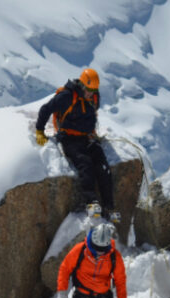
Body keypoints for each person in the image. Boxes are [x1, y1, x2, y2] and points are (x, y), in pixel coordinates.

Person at [35, 68, 116, 219]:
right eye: (88, 89)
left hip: (87, 137)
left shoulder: (94, 97)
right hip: (69, 138)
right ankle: (91, 203)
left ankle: (109, 206)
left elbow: (92, 114)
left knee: (102, 166)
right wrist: (40, 130)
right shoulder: (67, 96)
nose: (91, 93)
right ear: (82, 85)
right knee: (85, 164)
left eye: (93, 90)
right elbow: (46, 109)